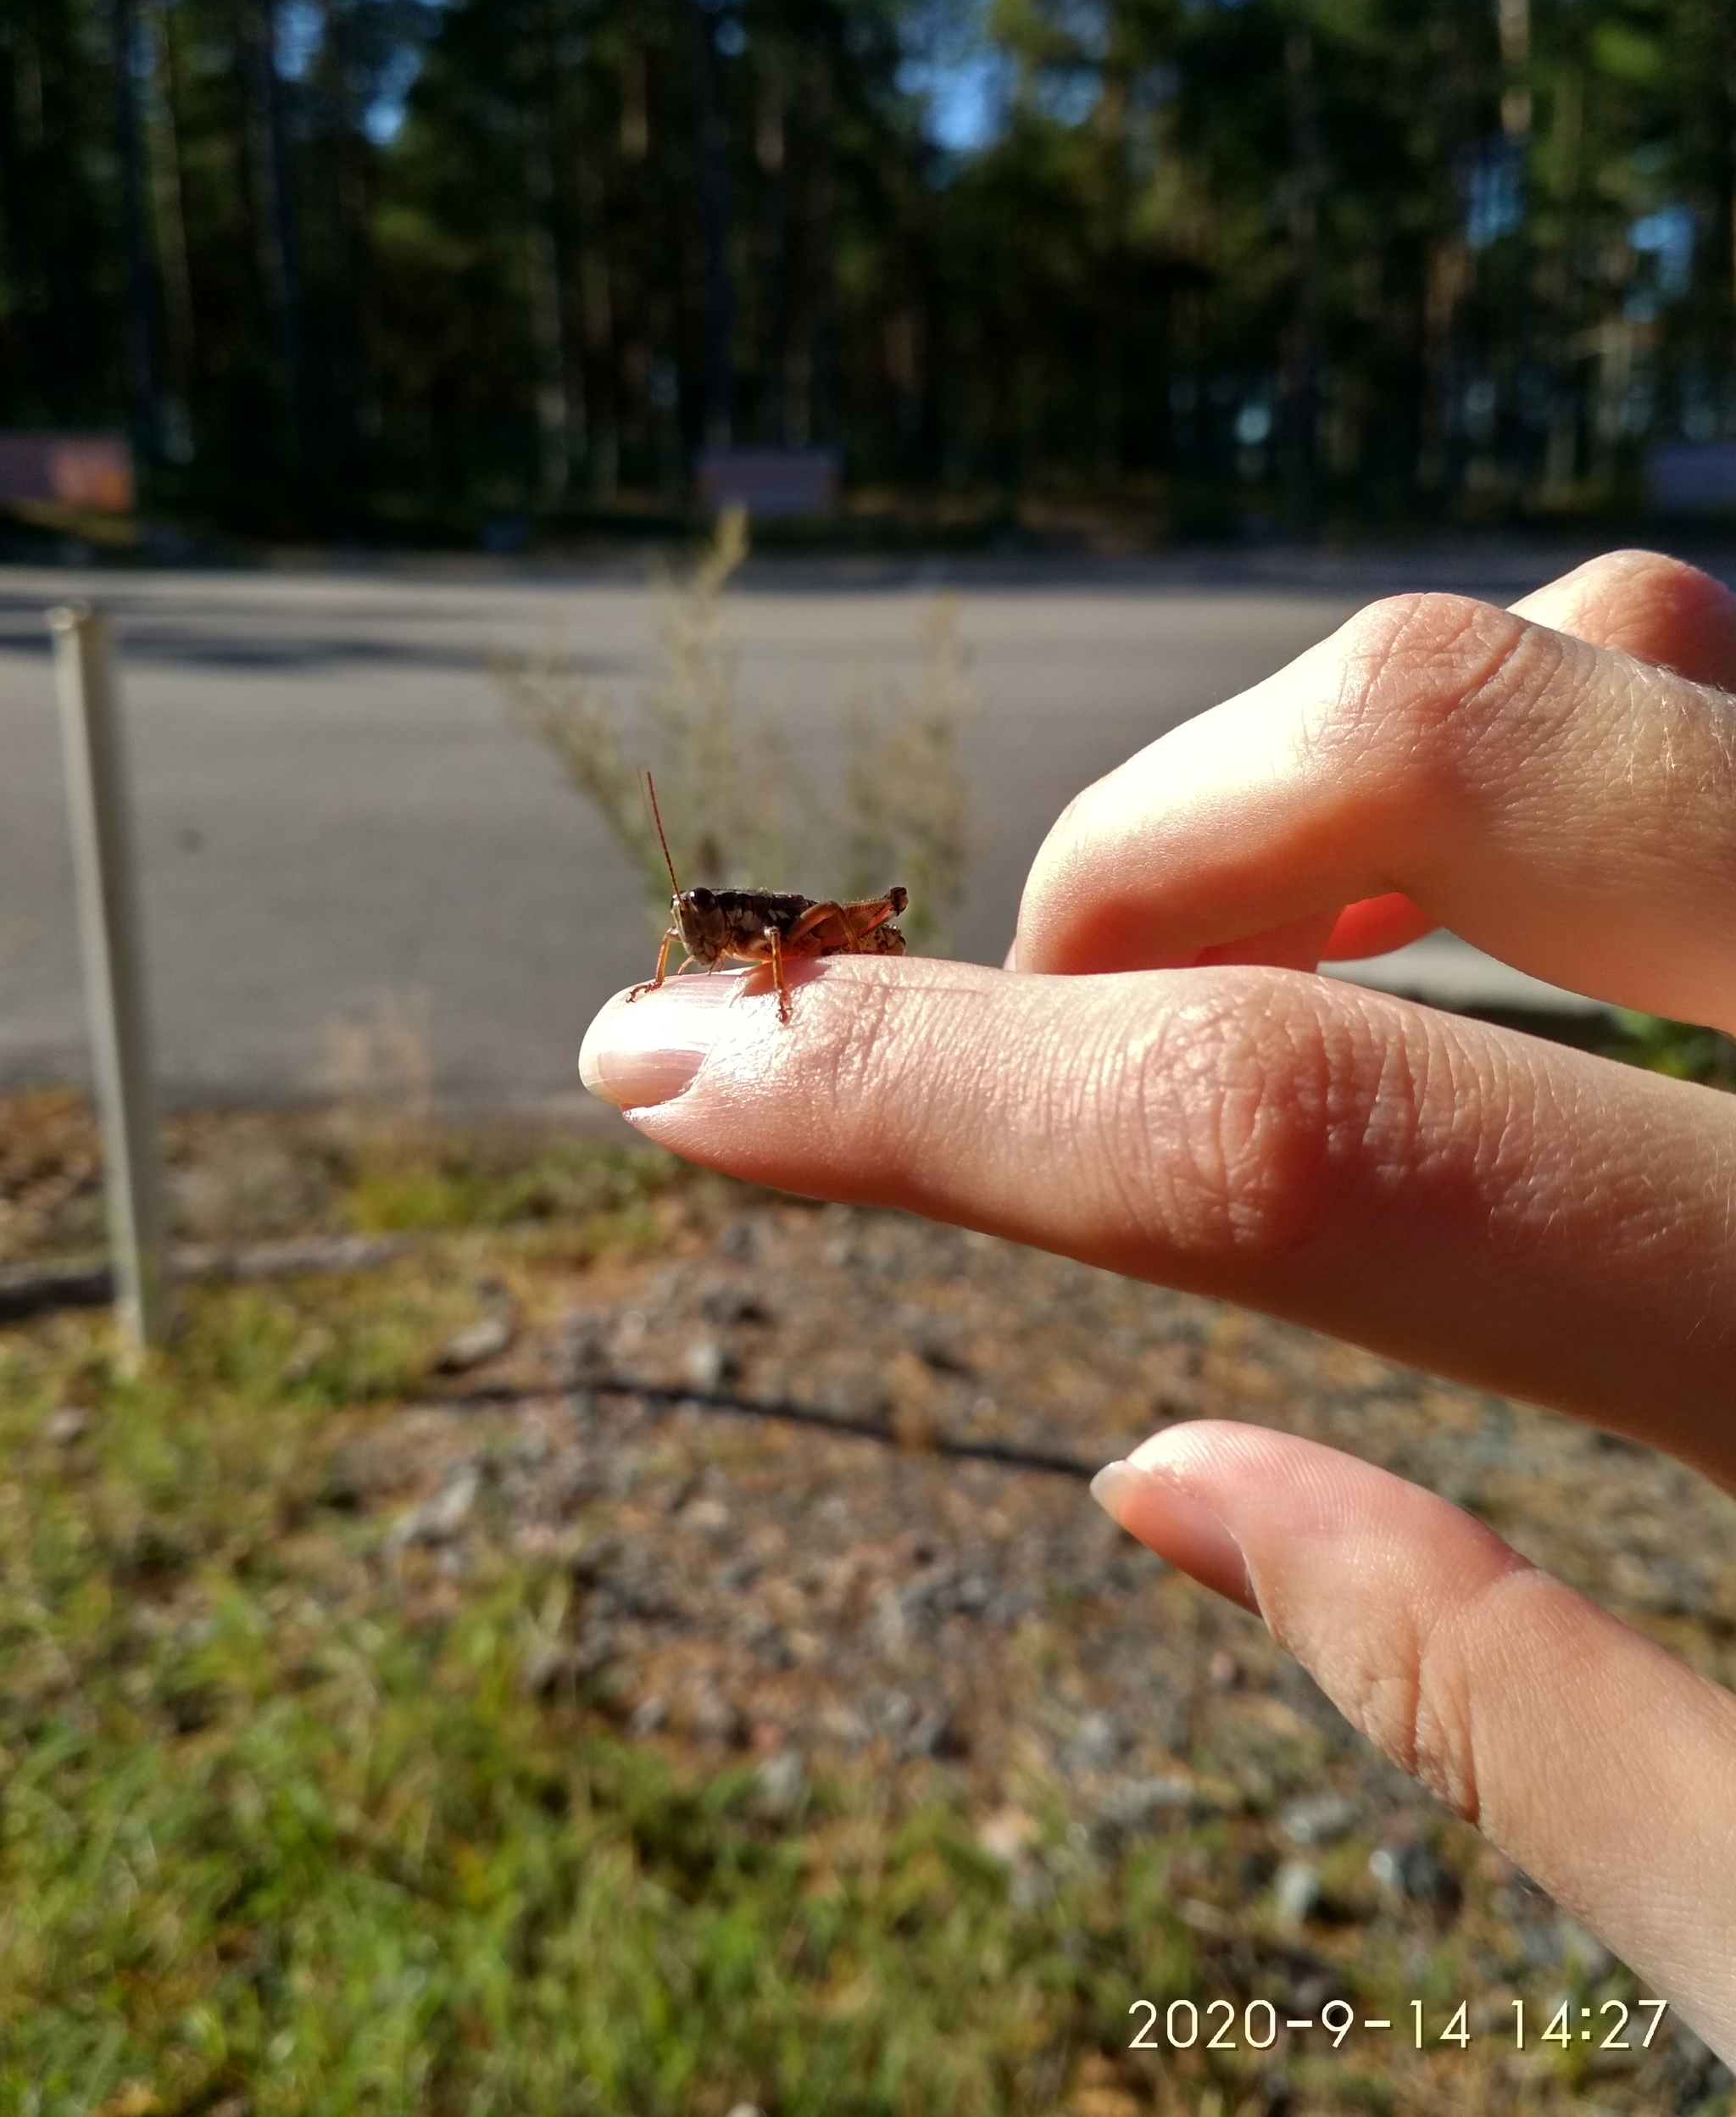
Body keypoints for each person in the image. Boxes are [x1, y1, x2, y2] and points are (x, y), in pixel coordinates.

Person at [579, 548, 1736, 2063]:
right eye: (696, 923)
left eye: (704, 919)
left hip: (843, 942)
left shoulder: (778, 934)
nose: (698, 928)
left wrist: (800, 975)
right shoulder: (701, 927)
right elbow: (701, 951)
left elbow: (787, 950)